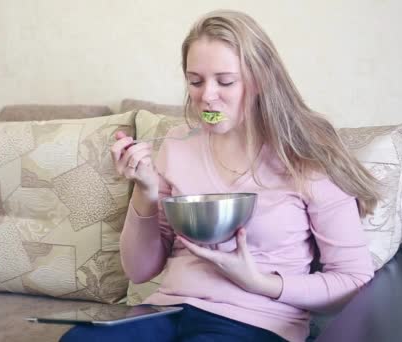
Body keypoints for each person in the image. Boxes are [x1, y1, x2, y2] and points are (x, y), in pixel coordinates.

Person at [60, 9, 379, 342]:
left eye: (225, 81)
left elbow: (353, 281)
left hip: (257, 320)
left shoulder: (307, 156)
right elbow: (140, 271)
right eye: (195, 81)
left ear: (260, 80)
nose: (206, 95)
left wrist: (258, 281)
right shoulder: (177, 144)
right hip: (169, 310)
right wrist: (145, 190)